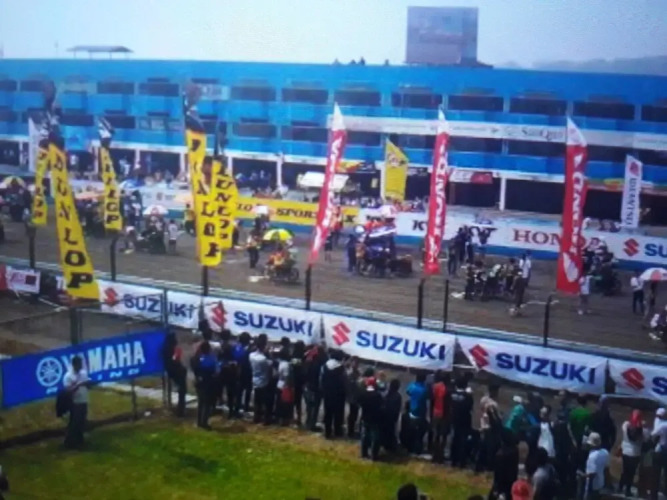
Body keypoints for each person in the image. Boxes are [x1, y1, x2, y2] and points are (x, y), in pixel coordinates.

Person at [618, 409, 648, 497]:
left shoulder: (625, 425)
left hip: (625, 451)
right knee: (631, 472)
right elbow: (646, 439)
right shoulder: (643, 430)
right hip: (635, 453)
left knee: (625, 470)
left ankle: (620, 487)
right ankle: (628, 490)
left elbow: (625, 425)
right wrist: (644, 426)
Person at [63, 355, 91, 449]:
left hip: (84, 400)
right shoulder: (68, 376)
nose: (81, 365)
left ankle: (79, 441)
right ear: (75, 364)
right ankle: (69, 442)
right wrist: (79, 384)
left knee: (81, 422)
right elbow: (68, 391)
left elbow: (88, 386)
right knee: (74, 423)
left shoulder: (84, 373)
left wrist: (88, 384)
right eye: (79, 364)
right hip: (74, 402)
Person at [321, 350, 347, 439]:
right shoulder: (340, 368)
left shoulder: (325, 365)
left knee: (328, 412)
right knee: (338, 413)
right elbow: (343, 381)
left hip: (327, 393)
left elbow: (322, 379)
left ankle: (327, 432)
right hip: (338, 394)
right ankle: (337, 431)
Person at [193, 341, 218, 429]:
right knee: (207, 403)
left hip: (199, 382)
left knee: (200, 402)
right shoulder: (212, 358)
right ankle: (204, 422)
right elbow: (216, 371)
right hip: (209, 381)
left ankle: (199, 421)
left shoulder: (197, 358)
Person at [450, 377, 473, 468]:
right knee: (463, 441)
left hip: (454, 420)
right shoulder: (467, 396)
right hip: (464, 421)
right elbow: (470, 407)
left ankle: (453, 459)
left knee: (454, 439)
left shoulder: (452, 394)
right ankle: (462, 461)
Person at [490, 428, 520, 500]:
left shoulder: (500, 454)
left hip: (503, 482)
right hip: (512, 479)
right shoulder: (515, 450)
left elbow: (498, 473)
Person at [162, 332, 186, 417]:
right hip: (175, 370)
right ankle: (181, 410)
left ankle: (180, 409)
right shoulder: (171, 349)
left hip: (171, 370)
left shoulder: (165, 348)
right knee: (182, 389)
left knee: (181, 389)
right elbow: (174, 360)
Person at [359, 377, 384, 461]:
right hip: (375, 419)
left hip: (365, 417)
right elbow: (381, 405)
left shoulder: (363, 394)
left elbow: (360, 403)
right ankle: (374, 455)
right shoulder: (377, 395)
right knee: (375, 438)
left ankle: (364, 453)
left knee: (364, 436)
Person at [249, 334, 272, 424]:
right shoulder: (263, 359)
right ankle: (265, 419)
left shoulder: (251, 355)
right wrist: (268, 353)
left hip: (255, 379)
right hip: (264, 381)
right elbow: (270, 365)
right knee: (264, 402)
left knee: (257, 401)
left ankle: (256, 417)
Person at [304, 344, 326, 432]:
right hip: (315, 388)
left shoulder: (308, 362)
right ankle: (312, 425)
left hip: (308, 387)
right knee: (315, 407)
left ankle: (308, 422)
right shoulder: (319, 365)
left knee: (309, 407)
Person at [406, 373, 429, 454]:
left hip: (412, 412)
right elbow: (428, 397)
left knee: (412, 432)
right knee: (419, 434)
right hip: (421, 413)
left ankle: (410, 448)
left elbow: (408, 392)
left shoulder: (412, 386)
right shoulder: (424, 389)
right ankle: (418, 450)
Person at [430, 371, 449, 463]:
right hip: (444, 415)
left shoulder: (435, 387)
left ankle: (434, 454)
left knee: (436, 435)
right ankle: (440, 455)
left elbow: (432, 400)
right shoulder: (448, 389)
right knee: (443, 436)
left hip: (436, 412)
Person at [585, 432, 610, 499]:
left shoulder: (592, 456)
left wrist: (588, 493)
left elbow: (592, 475)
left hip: (593, 487)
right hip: (601, 484)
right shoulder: (605, 452)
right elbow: (606, 469)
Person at [232, 332, 252, 417]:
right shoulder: (248, 350)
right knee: (247, 391)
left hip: (236, 371)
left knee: (238, 392)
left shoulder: (235, 347)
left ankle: (237, 408)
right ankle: (245, 408)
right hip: (246, 372)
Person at [651, 407, 667, 500]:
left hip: (660, 450)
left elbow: (653, 434)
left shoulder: (662, 425)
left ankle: (653, 496)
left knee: (655, 474)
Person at [383, 378, 402, 453]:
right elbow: (398, 408)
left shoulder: (387, 394)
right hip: (392, 416)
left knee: (386, 430)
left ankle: (385, 444)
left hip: (385, 415)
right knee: (391, 431)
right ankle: (390, 446)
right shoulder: (398, 396)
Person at [276, 347, 293, 426]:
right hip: (284, 387)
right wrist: (288, 387)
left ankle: (280, 419)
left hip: (279, 384)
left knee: (280, 404)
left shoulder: (280, 363)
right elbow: (287, 377)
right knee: (285, 405)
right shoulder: (286, 365)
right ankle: (284, 421)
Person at [345, 357, 362, 438]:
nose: (356, 364)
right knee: (352, 414)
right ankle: (350, 431)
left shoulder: (358, 372)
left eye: (357, 363)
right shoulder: (350, 373)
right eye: (355, 362)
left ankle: (351, 430)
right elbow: (349, 385)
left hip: (357, 396)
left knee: (355, 414)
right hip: (352, 396)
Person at [290, 341, 306, 425]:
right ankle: (298, 417)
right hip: (299, 381)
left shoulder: (293, 356)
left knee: (293, 400)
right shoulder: (303, 357)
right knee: (298, 400)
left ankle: (292, 416)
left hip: (293, 380)